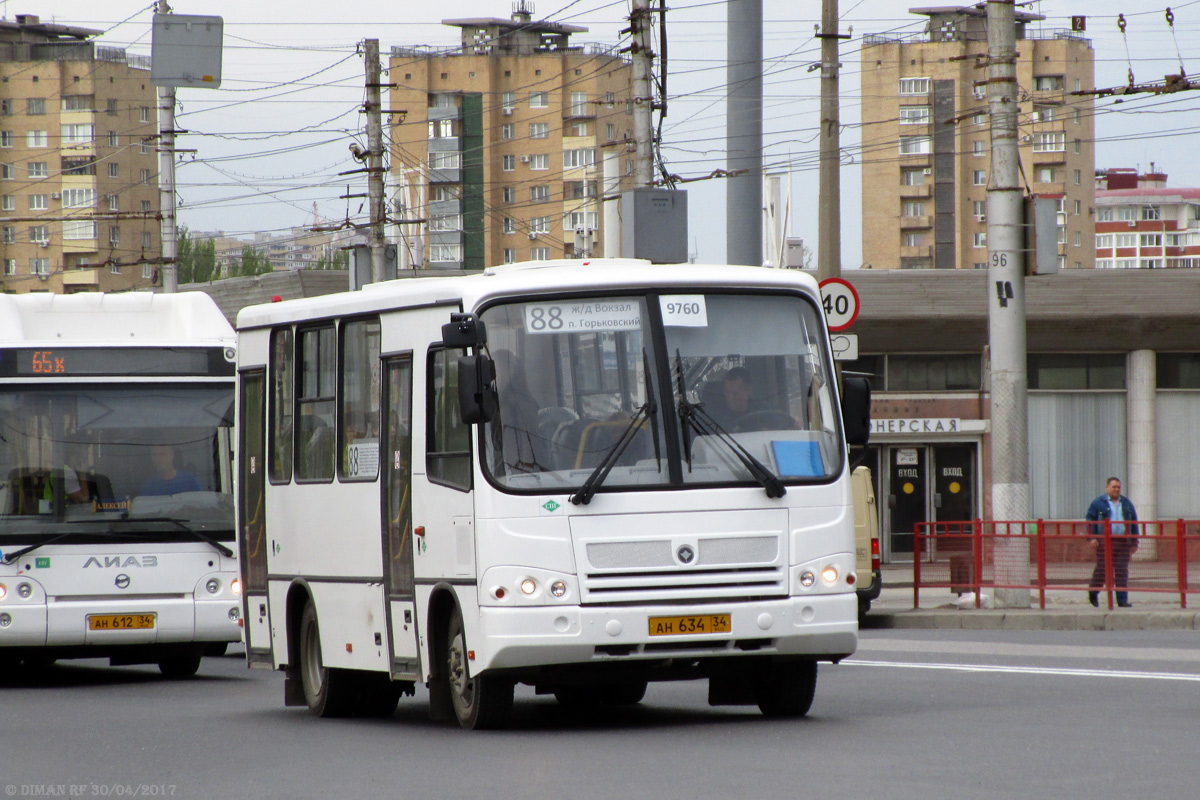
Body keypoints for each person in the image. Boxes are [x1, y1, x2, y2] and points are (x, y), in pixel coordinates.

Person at [487, 350, 548, 475]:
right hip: (501, 465)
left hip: (517, 470)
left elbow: (529, 443)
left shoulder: (520, 403)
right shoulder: (493, 397)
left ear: (510, 371)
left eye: (496, 368)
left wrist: (522, 472)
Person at [1085, 476, 1139, 608]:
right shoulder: (1098, 503)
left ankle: (1122, 600)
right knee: (1102, 569)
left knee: (1121, 570)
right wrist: (1091, 538)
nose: (1116, 489)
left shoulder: (1126, 503)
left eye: (1118, 487)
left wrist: (1134, 541)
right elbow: (1090, 521)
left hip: (1123, 542)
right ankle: (1093, 591)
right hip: (1105, 542)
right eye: (1114, 487)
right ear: (1107, 487)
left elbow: (1133, 521)